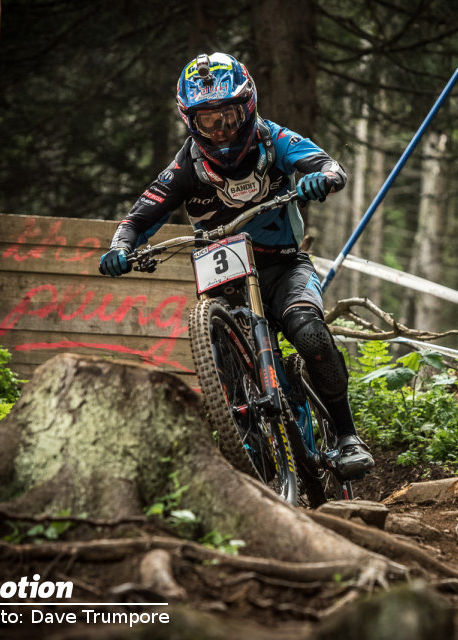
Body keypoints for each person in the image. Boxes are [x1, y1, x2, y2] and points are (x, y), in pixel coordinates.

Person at [98, 52, 374, 480]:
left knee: (310, 331)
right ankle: (248, 454)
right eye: (208, 122)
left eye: (227, 116)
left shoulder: (274, 139)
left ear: (247, 108)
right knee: (222, 362)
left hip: (283, 267)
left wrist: (323, 178)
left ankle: (346, 436)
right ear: (191, 122)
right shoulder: (184, 166)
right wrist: (121, 246)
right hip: (224, 282)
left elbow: (326, 163)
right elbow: (138, 218)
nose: (221, 130)